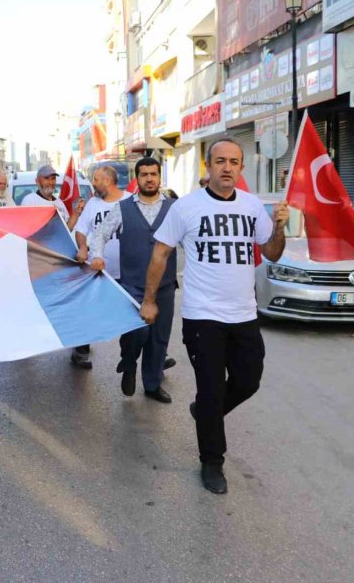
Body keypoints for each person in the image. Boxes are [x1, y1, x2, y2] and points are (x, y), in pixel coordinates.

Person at [139, 139, 289, 494]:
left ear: (241, 167)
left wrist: (280, 227)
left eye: (234, 162)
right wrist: (150, 301)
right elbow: (161, 255)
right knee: (209, 388)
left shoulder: (253, 206)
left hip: (243, 315)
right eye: (220, 161)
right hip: (202, 315)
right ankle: (212, 462)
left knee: (248, 380)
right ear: (207, 166)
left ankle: (205, 411)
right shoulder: (186, 208)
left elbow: (272, 253)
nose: (227, 168)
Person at [88, 158, 176, 403]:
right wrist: (97, 256)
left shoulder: (174, 208)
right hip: (132, 285)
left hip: (165, 286)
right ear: (137, 178)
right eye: (144, 174)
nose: (149, 178)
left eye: (154, 174)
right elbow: (100, 235)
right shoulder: (122, 208)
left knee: (159, 338)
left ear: (159, 177)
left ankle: (152, 384)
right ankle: (128, 364)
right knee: (136, 332)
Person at [71, 165, 134, 370]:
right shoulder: (93, 204)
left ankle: (132, 360)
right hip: (96, 271)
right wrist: (82, 247)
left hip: (127, 272)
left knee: (131, 316)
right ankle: (81, 351)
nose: (94, 184)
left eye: (96, 179)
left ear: (107, 181)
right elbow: (81, 230)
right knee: (88, 312)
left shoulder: (131, 201)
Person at [20, 165, 84, 230]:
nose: (50, 182)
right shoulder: (29, 201)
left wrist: (76, 213)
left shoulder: (59, 203)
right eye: (46, 178)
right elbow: (24, 230)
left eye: (53, 178)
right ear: (37, 181)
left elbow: (66, 230)